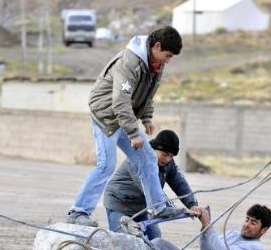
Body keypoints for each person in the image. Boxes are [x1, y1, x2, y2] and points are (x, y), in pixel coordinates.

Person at [66, 26, 183, 227]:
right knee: (106, 165)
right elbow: (120, 101)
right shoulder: (130, 63)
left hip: (125, 116)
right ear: (156, 46)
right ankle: (78, 212)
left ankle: (158, 208)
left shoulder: (155, 64)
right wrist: (132, 133)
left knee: (147, 158)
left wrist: (146, 118)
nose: (168, 60)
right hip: (106, 116)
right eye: (168, 55)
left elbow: (148, 94)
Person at [104, 129, 200, 240]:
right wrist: (178, 211)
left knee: (154, 237)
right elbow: (154, 192)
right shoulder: (140, 160)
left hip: (141, 208)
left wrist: (193, 205)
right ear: (155, 148)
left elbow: (179, 182)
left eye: (171, 156)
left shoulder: (168, 162)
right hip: (119, 204)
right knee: (124, 241)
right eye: (164, 154)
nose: (167, 159)